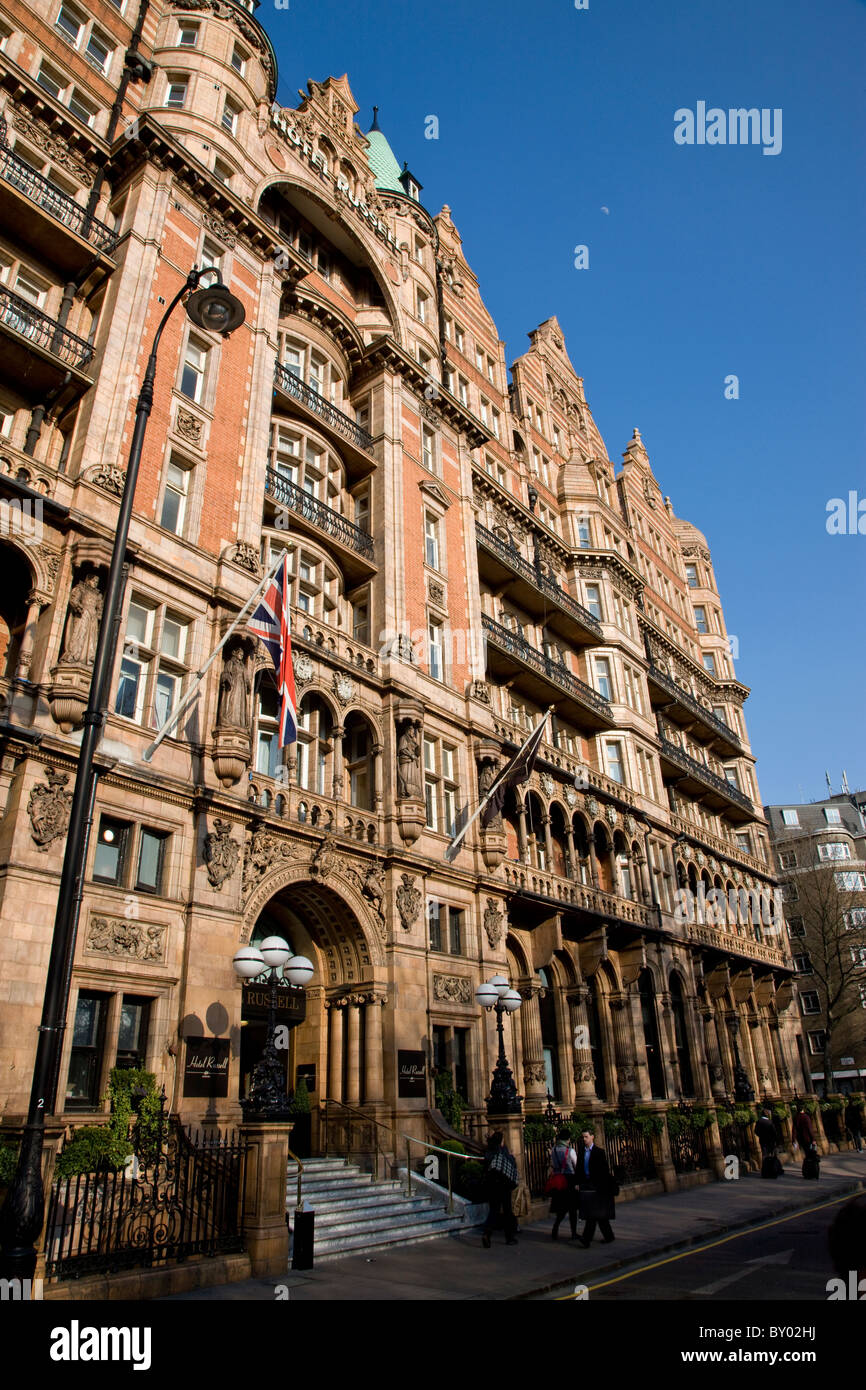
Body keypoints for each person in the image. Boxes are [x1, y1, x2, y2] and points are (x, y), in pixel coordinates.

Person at [577, 1128, 615, 1246]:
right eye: (583, 1137)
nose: (584, 1139)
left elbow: (604, 1170)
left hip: (598, 1186)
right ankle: (609, 1236)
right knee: (598, 1215)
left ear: (592, 1137)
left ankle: (586, 1239)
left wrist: (601, 1185)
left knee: (592, 1214)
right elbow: (579, 1169)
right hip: (586, 1184)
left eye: (586, 1137)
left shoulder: (599, 1152)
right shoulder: (582, 1152)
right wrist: (577, 1183)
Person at [481, 1131, 519, 1248]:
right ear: (501, 1141)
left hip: (491, 1185)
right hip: (503, 1185)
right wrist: (511, 1156)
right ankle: (509, 1237)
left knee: (494, 1210)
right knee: (507, 1211)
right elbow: (512, 1164)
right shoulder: (503, 1151)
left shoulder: (488, 1151)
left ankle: (487, 1233)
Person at [548, 1128, 578, 1240]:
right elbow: (576, 1165)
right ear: (568, 1139)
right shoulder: (570, 1151)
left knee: (561, 1208)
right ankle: (574, 1233)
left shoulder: (554, 1149)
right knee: (572, 1209)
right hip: (569, 1181)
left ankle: (555, 1228)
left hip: (558, 1180)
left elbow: (552, 1164)